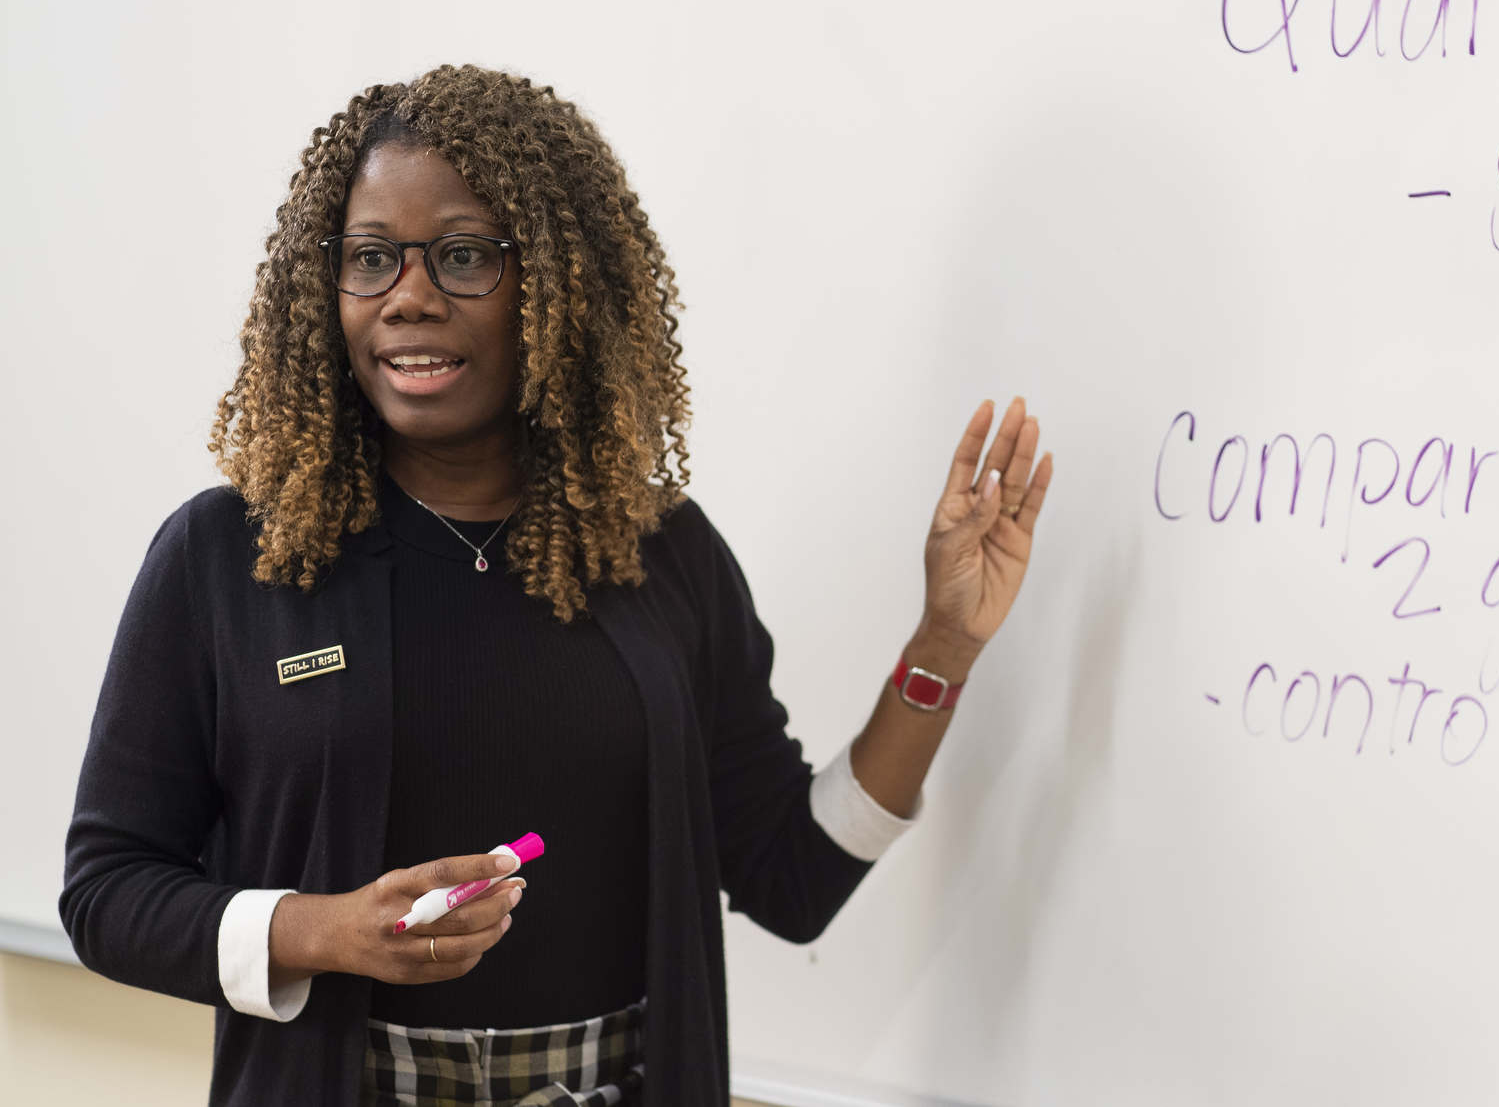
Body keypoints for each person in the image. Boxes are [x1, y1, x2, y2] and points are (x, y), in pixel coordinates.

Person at [59, 64, 1054, 1106]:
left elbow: (791, 877)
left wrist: (943, 643)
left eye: (461, 257)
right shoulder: (229, 557)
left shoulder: (659, 552)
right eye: (368, 259)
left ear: (557, 284)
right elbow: (107, 893)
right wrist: (325, 931)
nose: (407, 296)